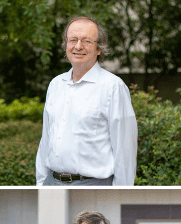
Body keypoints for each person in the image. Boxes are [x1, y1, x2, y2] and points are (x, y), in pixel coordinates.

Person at [36, 16, 137, 186]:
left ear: (99, 48)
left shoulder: (113, 88)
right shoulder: (55, 85)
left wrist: (121, 192)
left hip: (94, 185)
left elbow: (125, 151)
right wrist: (41, 183)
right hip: (51, 183)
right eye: (73, 40)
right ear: (65, 45)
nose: (78, 46)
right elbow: (45, 140)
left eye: (86, 41)